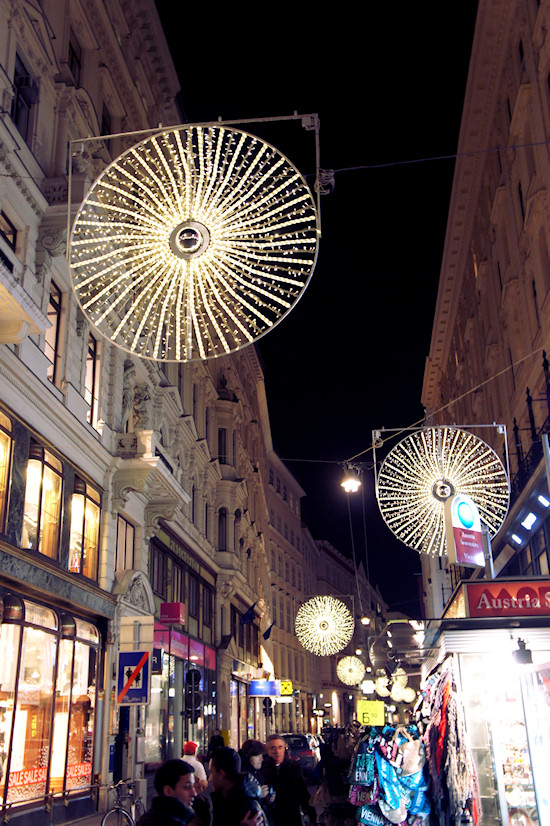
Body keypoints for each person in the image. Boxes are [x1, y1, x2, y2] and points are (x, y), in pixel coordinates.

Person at [262, 735, 316, 826]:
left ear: (284, 748)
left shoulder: (293, 767)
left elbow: (302, 792)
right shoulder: (262, 769)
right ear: (267, 751)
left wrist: (311, 817)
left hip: (291, 816)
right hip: (270, 818)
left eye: (280, 747)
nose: (277, 752)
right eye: (273, 748)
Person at [210, 746, 266, 826]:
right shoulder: (224, 799)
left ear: (221, 774)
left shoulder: (248, 808)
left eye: (212, 772)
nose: (210, 779)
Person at [137, 759, 197, 826]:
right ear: (168, 791)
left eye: (193, 786)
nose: (194, 793)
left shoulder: (149, 819)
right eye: (187, 787)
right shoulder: (170, 822)